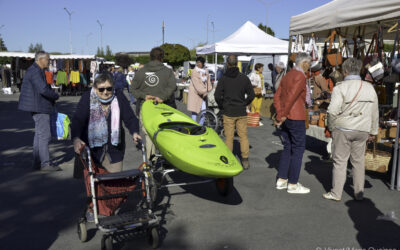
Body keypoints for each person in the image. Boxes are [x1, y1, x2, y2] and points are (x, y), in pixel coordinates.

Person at [323, 58, 379, 201]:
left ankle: (336, 193)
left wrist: (331, 128)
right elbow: (374, 112)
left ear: (345, 71)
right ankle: (359, 193)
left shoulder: (340, 87)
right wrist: (373, 131)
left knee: (340, 161)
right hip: (363, 129)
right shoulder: (369, 87)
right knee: (358, 162)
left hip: (344, 128)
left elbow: (333, 111)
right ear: (359, 70)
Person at [71, 73, 141, 174]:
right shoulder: (87, 98)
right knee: (94, 185)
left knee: (114, 183)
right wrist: (76, 138)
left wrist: (134, 132)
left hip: (114, 149)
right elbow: (78, 120)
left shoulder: (119, 96)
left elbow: (130, 117)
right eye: (101, 89)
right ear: (95, 88)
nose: (105, 92)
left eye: (109, 88)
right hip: (92, 150)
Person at [273, 52, 312, 194]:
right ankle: (293, 183)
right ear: (304, 63)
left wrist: (280, 113)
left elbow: (277, 96)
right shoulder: (300, 76)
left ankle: (282, 179)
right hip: (295, 116)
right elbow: (291, 97)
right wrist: (282, 114)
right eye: (309, 63)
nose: (310, 67)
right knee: (298, 149)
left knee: (288, 147)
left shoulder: (288, 75)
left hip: (287, 116)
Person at [18, 51, 61, 171]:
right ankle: (45, 164)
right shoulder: (35, 71)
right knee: (44, 136)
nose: (49, 61)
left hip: (37, 106)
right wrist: (55, 95)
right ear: (40, 59)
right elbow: (43, 89)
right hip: (39, 107)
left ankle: (37, 163)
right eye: (47, 59)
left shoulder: (35, 70)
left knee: (39, 135)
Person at [131, 47, 177, 160]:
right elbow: (173, 87)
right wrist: (162, 97)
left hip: (145, 108)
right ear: (162, 57)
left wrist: (143, 96)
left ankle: (151, 161)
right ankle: (166, 158)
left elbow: (133, 89)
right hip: (164, 108)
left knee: (149, 135)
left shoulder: (141, 72)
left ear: (150, 57)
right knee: (165, 134)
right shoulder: (168, 71)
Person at [214, 55, 255, 169]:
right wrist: (244, 103)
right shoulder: (244, 78)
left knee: (229, 137)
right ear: (237, 63)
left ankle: (229, 159)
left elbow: (217, 96)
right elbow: (251, 95)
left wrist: (223, 106)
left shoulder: (223, 79)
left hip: (229, 111)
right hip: (241, 111)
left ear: (227, 64)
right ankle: (245, 159)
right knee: (243, 136)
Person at [187, 57, 212, 124]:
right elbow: (197, 85)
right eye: (197, 62)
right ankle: (194, 126)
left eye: (199, 62)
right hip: (195, 94)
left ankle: (200, 125)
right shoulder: (194, 71)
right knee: (194, 112)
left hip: (203, 94)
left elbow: (208, 81)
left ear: (203, 63)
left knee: (204, 111)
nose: (198, 64)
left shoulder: (206, 70)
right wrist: (204, 92)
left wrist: (209, 89)